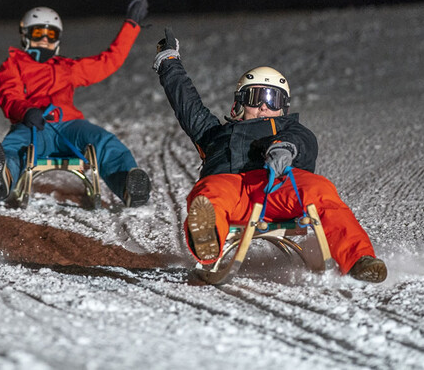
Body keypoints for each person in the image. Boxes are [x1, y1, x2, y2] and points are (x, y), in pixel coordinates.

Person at [152, 29, 387, 282]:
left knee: (319, 189)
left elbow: (305, 141)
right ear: (239, 104)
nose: (265, 106)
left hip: (278, 185)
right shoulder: (213, 133)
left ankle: (359, 259)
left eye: (273, 100)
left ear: (282, 109)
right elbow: (188, 104)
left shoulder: (287, 128)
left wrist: (285, 147)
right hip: (232, 189)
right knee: (208, 195)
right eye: (256, 97)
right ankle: (208, 242)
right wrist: (169, 62)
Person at [0, 0, 153, 207]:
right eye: (38, 33)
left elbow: (108, 62)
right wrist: (26, 112)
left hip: (69, 126)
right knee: (15, 146)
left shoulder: (66, 67)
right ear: (25, 34)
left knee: (101, 139)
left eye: (50, 34)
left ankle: (128, 184)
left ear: (57, 39)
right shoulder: (13, 65)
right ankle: (2, 177)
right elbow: (9, 95)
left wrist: (131, 27)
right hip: (32, 126)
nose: (44, 39)